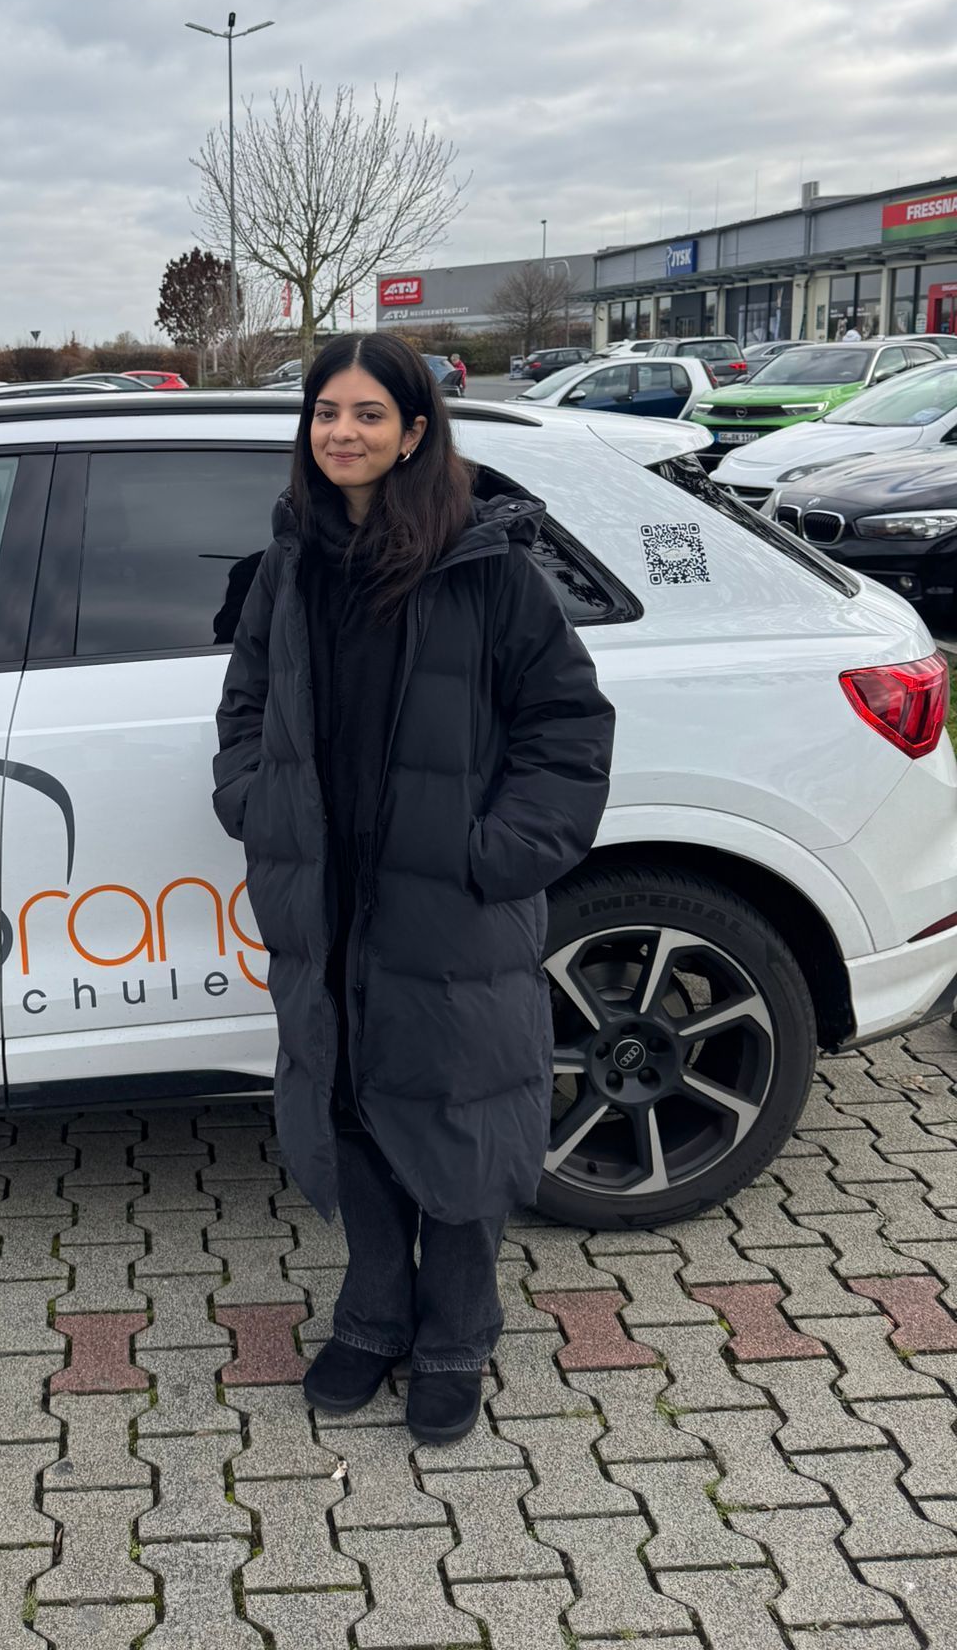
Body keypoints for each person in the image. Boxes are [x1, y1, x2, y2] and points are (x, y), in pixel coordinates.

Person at [212, 334, 614, 1444]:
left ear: (415, 432)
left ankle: (457, 1331)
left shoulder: (485, 565)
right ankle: (376, 1311)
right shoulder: (291, 558)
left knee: (459, 1111)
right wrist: (254, 798)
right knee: (350, 1104)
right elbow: (246, 701)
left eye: (368, 414)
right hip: (324, 897)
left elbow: (567, 724)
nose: (340, 432)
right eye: (324, 412)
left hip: (450, 899)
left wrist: (501, 852)